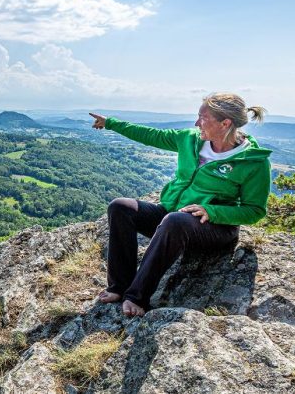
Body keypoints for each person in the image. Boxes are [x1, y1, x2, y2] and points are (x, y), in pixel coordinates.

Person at [89, 93, 271, 317]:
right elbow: (151, 135)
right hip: (173, 218)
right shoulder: (190, 139)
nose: (196, 123)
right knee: (120, 207)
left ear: (225, 123)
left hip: (213, 229)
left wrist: (212, 211)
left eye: (203, 118)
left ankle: (137, 296)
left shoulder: (253, 162)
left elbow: (254, 211)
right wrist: (110, 123)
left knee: (174, 220)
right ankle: (119, 286)